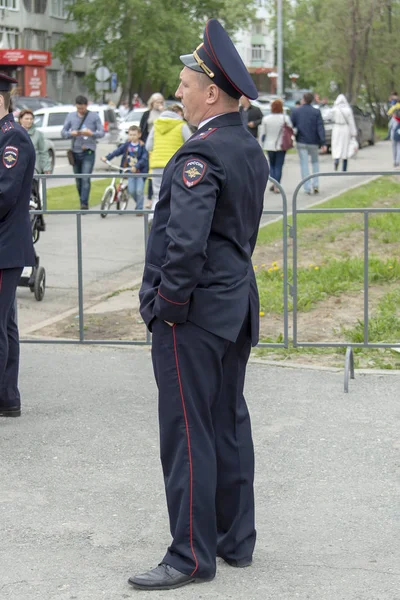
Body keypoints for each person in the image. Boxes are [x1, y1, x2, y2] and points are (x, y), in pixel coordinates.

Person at [132, 18, 269, 591]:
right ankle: (234, 541)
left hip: (195, 311)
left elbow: (184, 245)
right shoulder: (247, 146)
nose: (181, 95)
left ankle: (190, 555)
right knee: (227, 422)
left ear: (211, 91)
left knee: (188, 430)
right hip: (233, 304)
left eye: (186, 86)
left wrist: (165, 304)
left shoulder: (201, 153)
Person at [0, 73, 36, 418]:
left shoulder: (13, 138)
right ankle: (7, 397)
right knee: (5, 323)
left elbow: (5, 194)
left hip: (4, 246)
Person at [145, 104, 192, 217]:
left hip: (157, 164)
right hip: (175, 164)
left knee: (157, 195)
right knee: (174, 194)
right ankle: (170, 221)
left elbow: (148, 146)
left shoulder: (156, 125)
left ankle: (153, 218)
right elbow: (191, 143)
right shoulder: (182, 125)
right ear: (178, 113)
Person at [61, 95, 105, 210]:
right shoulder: (71, 116)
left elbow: (101, 132)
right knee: (78, 180)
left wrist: (91, 134)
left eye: (83, 108)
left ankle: (84, 203)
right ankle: (82, 199)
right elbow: (63, 132)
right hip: (75, 151)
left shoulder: (94, 116)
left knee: (85, 177)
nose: (81, 110)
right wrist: (72, 133)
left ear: (86, 106)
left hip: (88, 151)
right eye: (78, 108)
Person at [102, 125, 148, 214]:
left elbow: (144, 158)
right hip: (129, 171)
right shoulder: (127, 145)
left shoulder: (142, 146)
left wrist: (137, 166)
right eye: (130, 135)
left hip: (140, 172)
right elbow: (117, 152)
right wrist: (107, 158)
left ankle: (139, 209)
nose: (132, 137)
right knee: (132, 190)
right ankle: (138, 203)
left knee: (139, 190)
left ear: (139, 135)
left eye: (134, 135)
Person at [291, 92, 326, 194]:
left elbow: (291, 125)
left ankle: (307, 187)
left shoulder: (296, 111)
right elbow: (320, 127)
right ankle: (315, 184)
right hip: (313, 141)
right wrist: (323, 142)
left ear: (303, 99)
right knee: (315, 163)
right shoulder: (316, 112)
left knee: (304, 164)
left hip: (301, 141)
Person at [259, 98, 293, 192]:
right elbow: (291, 130)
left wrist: (261, 145)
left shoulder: (266, 119)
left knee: (272, 165)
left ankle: (273, 182)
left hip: (269, 145)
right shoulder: (285, 118)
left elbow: (263, 133)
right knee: (279, 165)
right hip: (281, 145)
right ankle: (277, 185)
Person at [139, 93, 165, 207]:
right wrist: (141, 139)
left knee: (154, 172)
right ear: (151, 102)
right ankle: (147, 197)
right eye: (156, 101)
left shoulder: (164, 114)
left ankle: (152, 197)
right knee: (146, 169)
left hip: (159, 144)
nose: (158, 103)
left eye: (160, 101)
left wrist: (163, 111)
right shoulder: (147, 113)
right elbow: (142, 127)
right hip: (147, 142)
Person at [18, 108, 51, 175]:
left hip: (34, 169)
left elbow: (43, 152)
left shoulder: (38, 134)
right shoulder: (14, 133)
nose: (29, 121)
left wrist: (46, 167)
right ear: (20, 120)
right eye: (27, 119)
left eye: (31, 119)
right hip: (18, 168)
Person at [329, 94, 357, 172]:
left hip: (336, 128)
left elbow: (329, 117)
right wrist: (353, 133)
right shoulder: (348, 110)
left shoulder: (334, 109)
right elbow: (351, 122)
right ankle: (344, 167)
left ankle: (336, 160)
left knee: (336, 145)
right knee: (345, 147)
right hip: (345, 129)